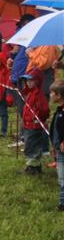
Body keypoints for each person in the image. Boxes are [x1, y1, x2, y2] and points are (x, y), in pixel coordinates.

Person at [20, 71, 49, 175]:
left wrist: (39, 119)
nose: (28, 82)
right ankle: (34, 166)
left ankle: (33, 167)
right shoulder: (29, 93)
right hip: (27, 124)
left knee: (32, 146)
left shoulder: (38, 95)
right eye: (27, 80)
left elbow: (44, 110)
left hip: (34, 126)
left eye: (31, 80)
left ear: (37, 81)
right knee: (29, 144)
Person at [49, 80, 64, 211]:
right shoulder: (59, 110)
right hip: (58, 150)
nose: (50, 95)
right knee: (61, 178)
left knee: (63, 178)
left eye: (52, 93)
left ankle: (62, 203)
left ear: (59, 95)